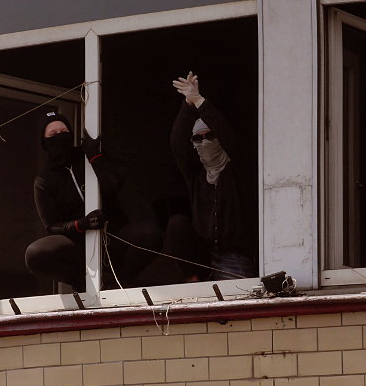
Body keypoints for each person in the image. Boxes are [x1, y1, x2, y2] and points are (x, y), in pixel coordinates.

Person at [25, 111, 161, 291]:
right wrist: (81, 224)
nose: (60, 137)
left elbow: (114, 184)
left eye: (64, 131)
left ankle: (117, 283)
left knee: (150, 233)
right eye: (53, 134)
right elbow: (52, 225)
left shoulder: (88, 154)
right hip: (78, 247)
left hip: (113, 236)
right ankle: (84, 286)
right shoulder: (44, 179)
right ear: (44, 141)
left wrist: (94, 156)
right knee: (36, 254)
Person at [167, 72, 257, 281]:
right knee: (177, 223)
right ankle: (192, 280)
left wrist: (200, 102)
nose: (204, 141)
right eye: (198, 138)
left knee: (238, 308)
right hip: (202, 257)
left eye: (210, 135)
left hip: (234, 257)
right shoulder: (197, 175)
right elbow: (177, 145)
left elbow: (229, 137)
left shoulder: (237, 170)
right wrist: (188, 105)